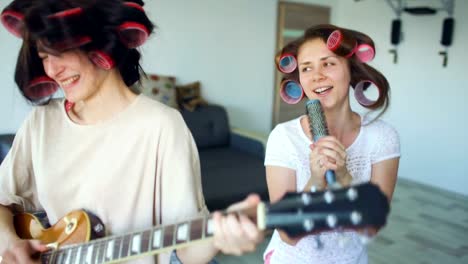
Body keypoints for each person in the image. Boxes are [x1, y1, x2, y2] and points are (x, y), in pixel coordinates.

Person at [0, 0, 262, 263]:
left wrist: (220, 234)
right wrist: (11, 244)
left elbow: (188, 251)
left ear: (102, 44)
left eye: (61, 52)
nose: (53, 70)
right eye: (44, 57)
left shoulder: (162, 126)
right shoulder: (41, 123)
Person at [263, 24, 400, 264]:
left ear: (351, 69)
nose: (317, 76)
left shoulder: (382, 137)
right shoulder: (283, 137)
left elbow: (371, 228)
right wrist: (316, 181)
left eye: (328, 63)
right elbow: (287, 234)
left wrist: (344, 176)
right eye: (307, 68)